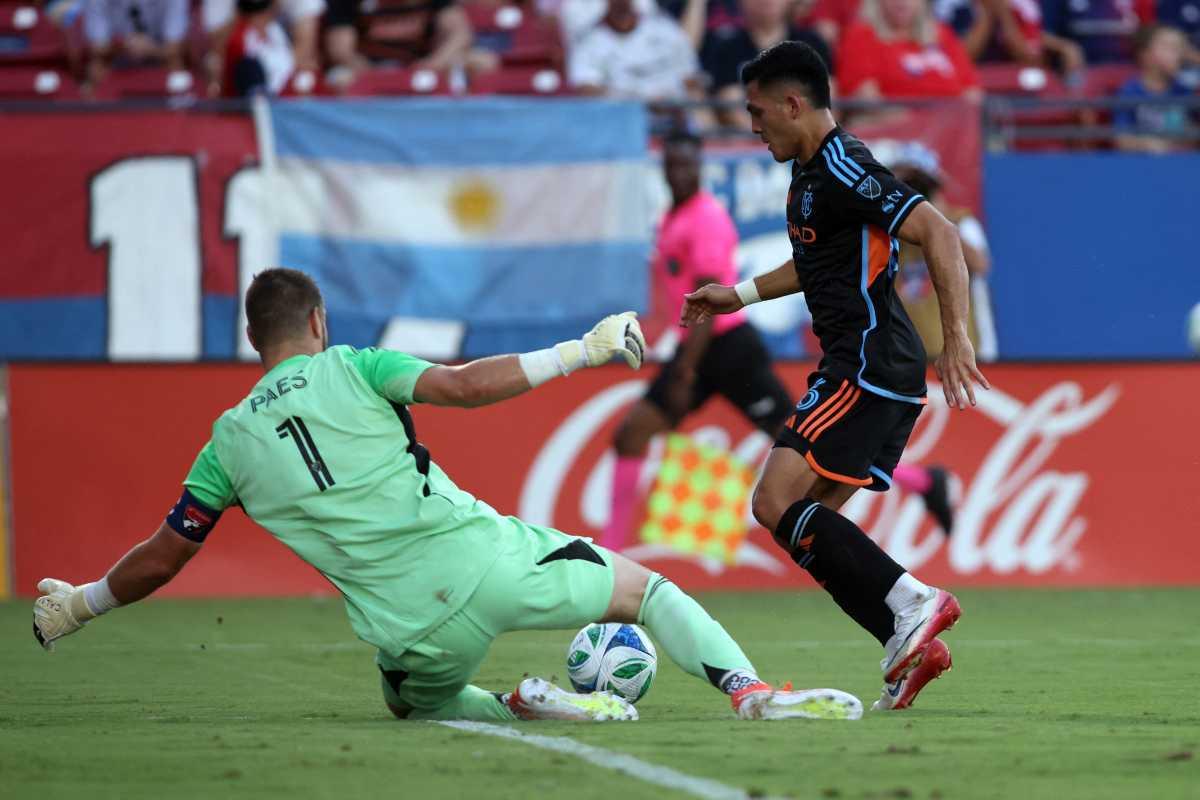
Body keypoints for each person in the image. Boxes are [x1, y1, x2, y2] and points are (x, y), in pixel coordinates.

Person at [32, 268, 863, 724]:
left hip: (409, 632)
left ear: (256, 340)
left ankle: (519, 703)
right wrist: (582, 349)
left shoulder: (225, 443)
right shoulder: (354, 364)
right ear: (316, 321)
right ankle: (749, 692)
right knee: (650, 592)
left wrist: (85, 603)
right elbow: (466, 387)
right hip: (489, 564)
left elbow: (166, 554)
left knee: (407, 702)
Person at [681, 41, 990, 711]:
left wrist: (958, 333)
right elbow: (815, 262)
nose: (753, 126)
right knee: (808, 524)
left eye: (759, 113)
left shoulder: (845, 164)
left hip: (865, 362)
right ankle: (907, 644)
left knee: (772, 502)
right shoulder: (810, 172)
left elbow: (937, 231)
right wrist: (739, 294)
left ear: (795, 104)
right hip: (873, 366)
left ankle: (916, 602)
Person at [601, 131, 793, 552]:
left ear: (700, 167)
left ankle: (920, 481)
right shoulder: (674, 214)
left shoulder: (705, 218)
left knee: (804, 446)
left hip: (727, 349)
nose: (680, 173)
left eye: (687, 165)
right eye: (673, 165)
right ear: (665, 168)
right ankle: (610, 552)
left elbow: (707, 301)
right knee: (631, 435)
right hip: (700, 350)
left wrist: (685, 369)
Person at [701, 0, 831, 130]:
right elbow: (732, 107)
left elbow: (828, 99)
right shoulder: (727, 48)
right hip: (752, 145)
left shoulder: (813, 44)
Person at [837, 0, 982, 100]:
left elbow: (972, 93)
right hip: (896, 135)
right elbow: (867, 98)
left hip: (953, 131)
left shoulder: (942, 35)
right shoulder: (861, 36)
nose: (902, 2)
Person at [567, 0, 701, 101]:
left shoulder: (665, 28)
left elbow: (690, 77)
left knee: (700, 101)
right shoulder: (590, 41)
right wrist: (639, 102)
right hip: (623, 119)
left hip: (674, 114)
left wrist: (670, 99)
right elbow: (587, 88)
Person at [1115, 24, 1195, 153]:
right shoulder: (1130, 92)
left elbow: (1193, 137)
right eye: (1170, 48)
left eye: (1180, 49)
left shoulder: (1186, 91)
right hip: (1144, 166)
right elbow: (1122, 141)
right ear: (1145, 54)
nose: (1179, 55)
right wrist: (1148, 145)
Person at [83, 0, 189, 86]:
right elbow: (97, 47)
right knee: (96, 66)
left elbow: (175, 47)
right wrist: (125, 45)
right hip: (116, 55)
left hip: (159, 55)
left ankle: (179, 107)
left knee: (176, 62)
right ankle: (99, 106)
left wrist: (150, 49)